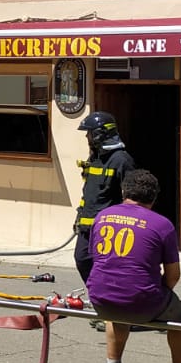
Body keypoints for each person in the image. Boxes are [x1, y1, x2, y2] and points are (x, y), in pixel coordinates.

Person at [85, 169, 181, 363]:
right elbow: (173, 275)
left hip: (100, 298)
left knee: (117, 310)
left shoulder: (102, 216)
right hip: (141, 300)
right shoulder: (162, 225)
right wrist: (158, 294)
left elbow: (96, 259)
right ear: (154, 197)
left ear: (124, 192)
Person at [73, 110, 135, 286]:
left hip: (108, 229)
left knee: (107, 266)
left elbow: (132, 198)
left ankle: (109, 296)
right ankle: (97, 293)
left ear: (100, 134)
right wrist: (79, 215)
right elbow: (89, 192)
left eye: (89, 133)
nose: (87, 137)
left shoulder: (122, 161)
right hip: (87, 227)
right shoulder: (95, 158)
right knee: (82, 259)